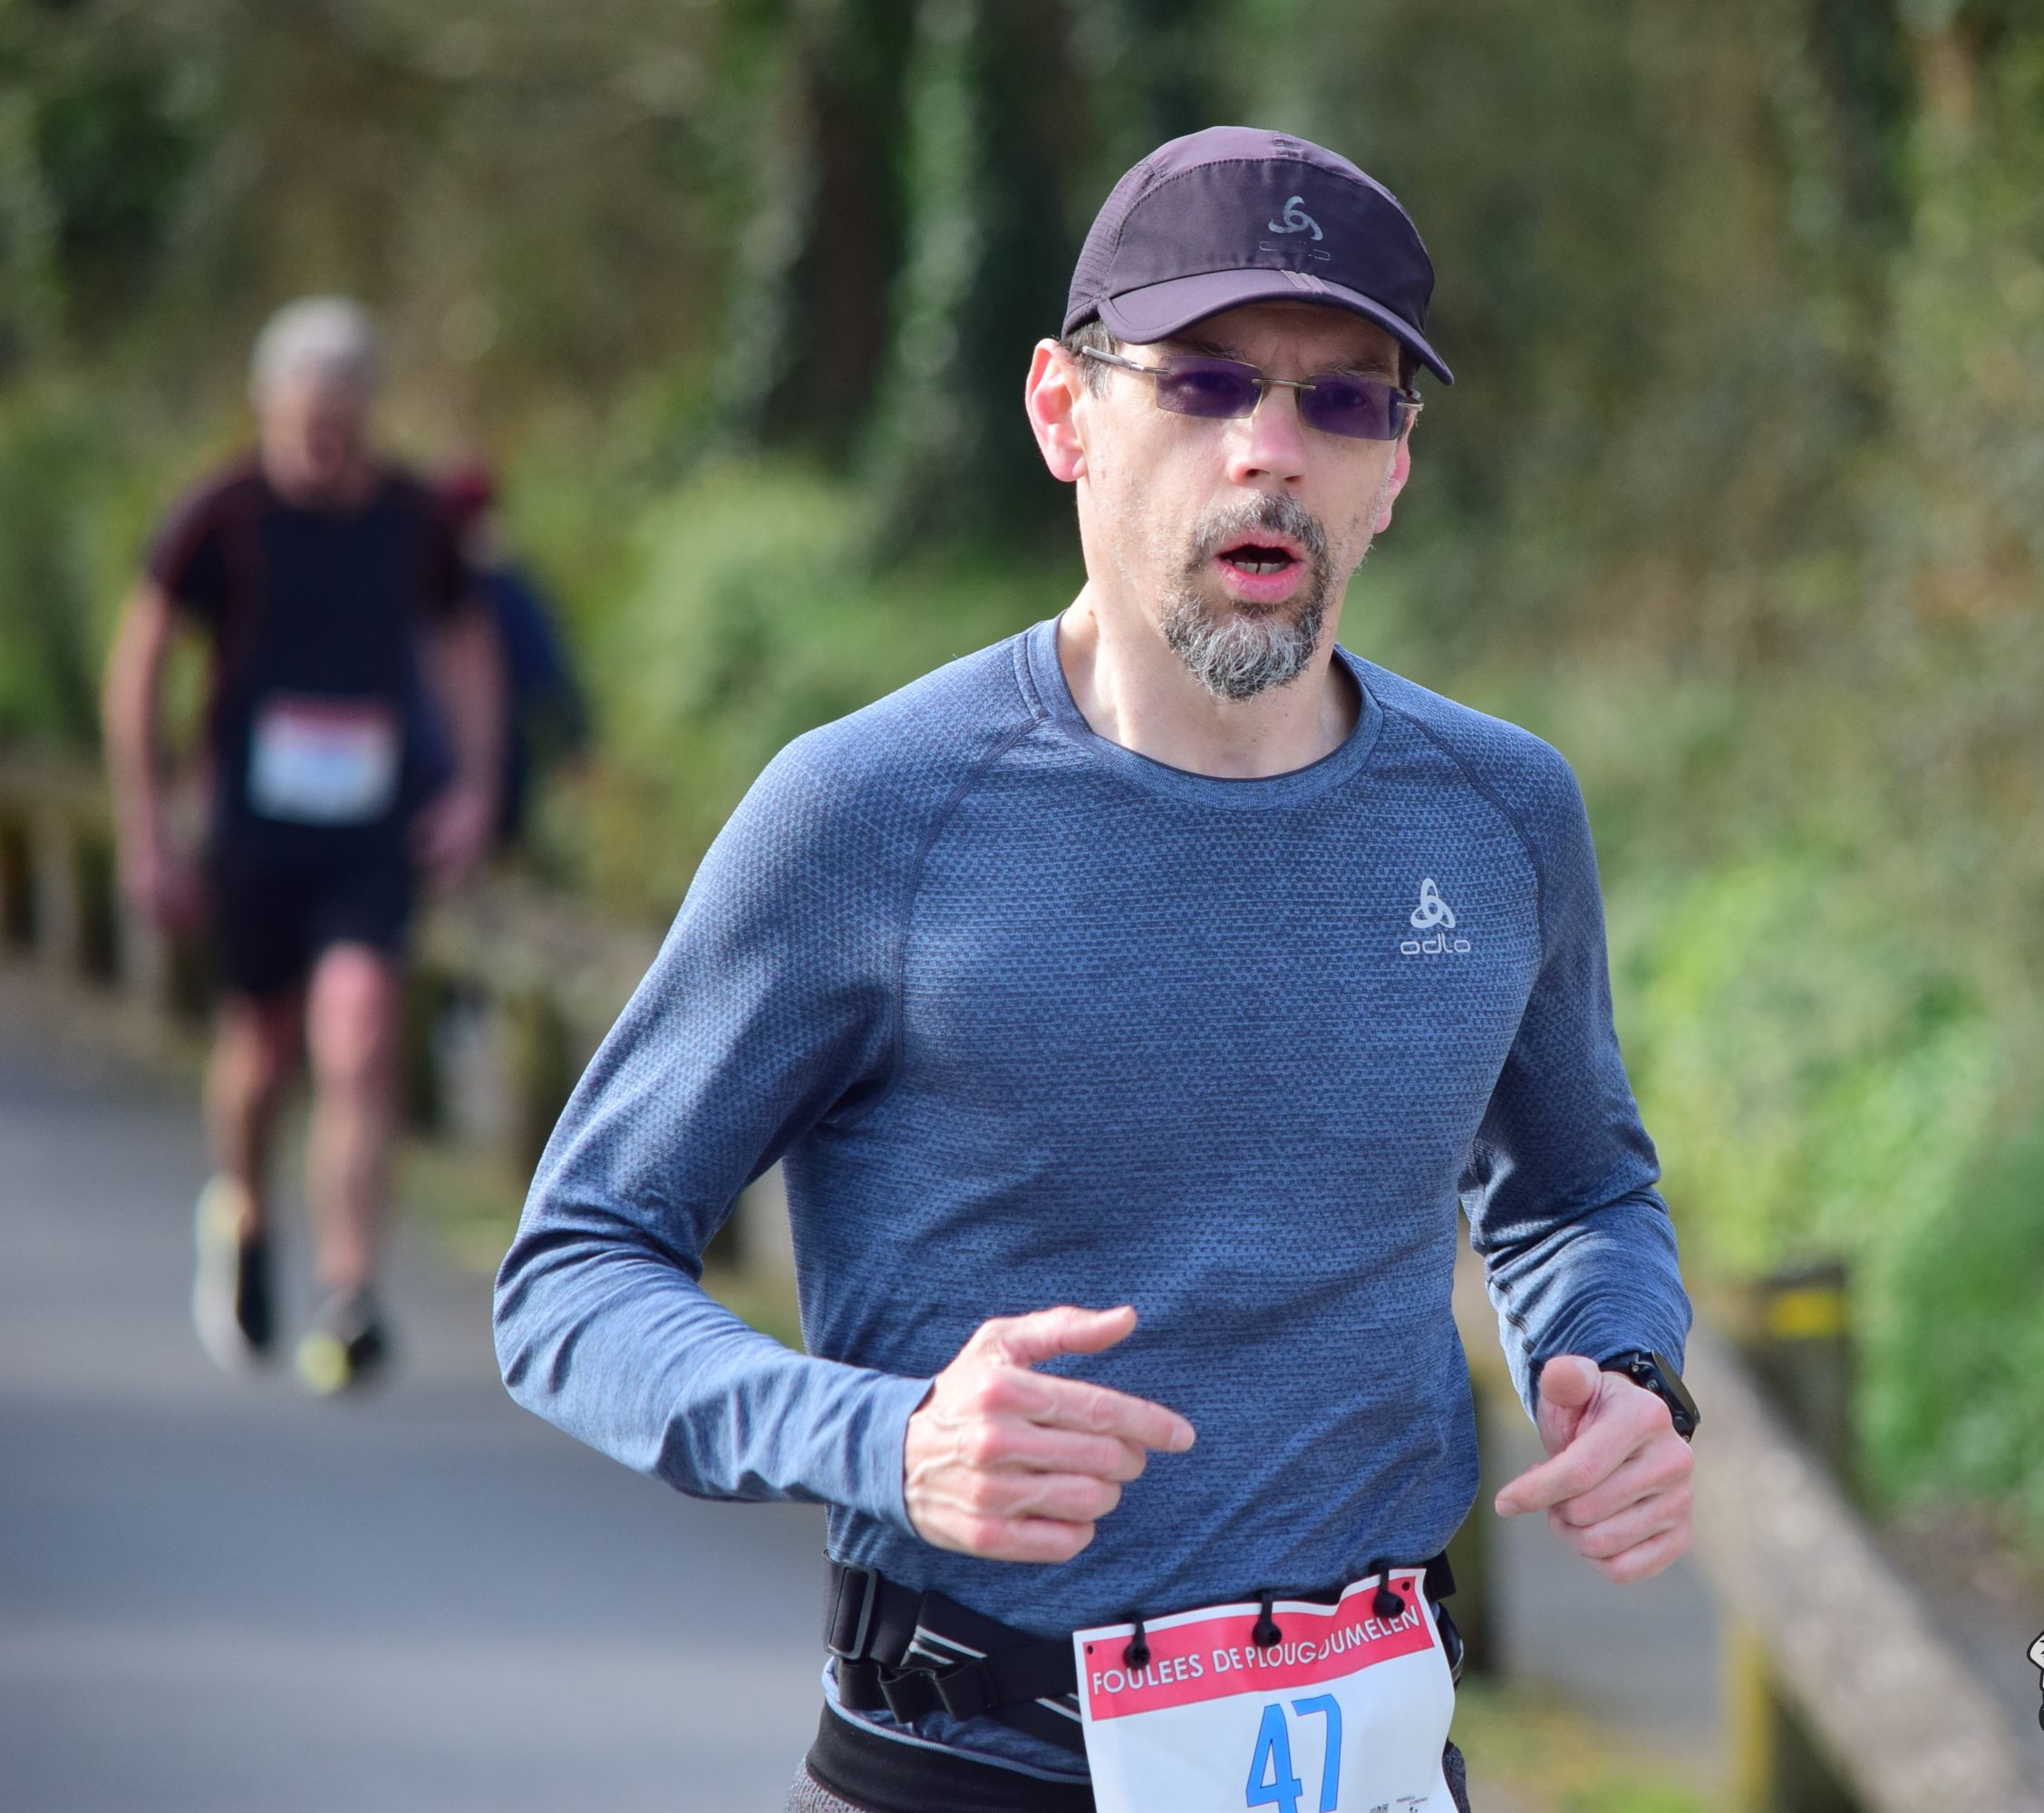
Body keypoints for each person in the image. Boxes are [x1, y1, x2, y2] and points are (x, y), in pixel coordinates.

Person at [492, 127, 1697, 1813]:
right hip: (962, 1760)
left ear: (1395, 469)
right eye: (1205, 384)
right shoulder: (868, 813)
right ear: (1064, 413)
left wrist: (1625, 1369)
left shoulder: (1501, 813)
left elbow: (1579, 1194)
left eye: (1344, 400)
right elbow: (572, 1273)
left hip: (1373, 1762)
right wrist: (882, 1440)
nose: (1270, 451)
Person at [102, 296, 504, 1393]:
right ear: (267, 407)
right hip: (252, 827)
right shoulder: (219, 516)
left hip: (371, 827)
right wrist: (148, 829)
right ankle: (241, 1208)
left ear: (368, 410)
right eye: (304, 419)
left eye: (341, 418)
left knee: (361, 1031)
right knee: (263, 1049)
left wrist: (473, 789)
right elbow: (141, 666)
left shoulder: (417, 521)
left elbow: (468, 646)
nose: (323, 441)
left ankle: (349, 1290)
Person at [437, 457, 592, 851]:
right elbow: (550, 671)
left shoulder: (498, 589)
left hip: (495, 755)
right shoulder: (491, 584)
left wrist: (575, 738)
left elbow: (546, 670)